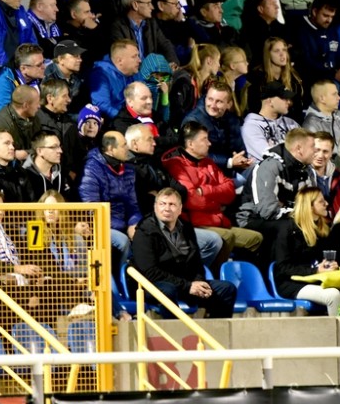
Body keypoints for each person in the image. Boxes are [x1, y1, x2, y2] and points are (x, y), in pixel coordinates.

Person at [163, 122, 263, 266]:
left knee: (256, 238)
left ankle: (243, 275)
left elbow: (230, 191)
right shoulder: (176, 165)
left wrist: (206, 191)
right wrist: (217, 202)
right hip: (196, 224)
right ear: (191, 144)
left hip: (219, 221)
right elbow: (192, 200)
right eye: (204, 139)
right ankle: (216, 275)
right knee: (227, 237)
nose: (209, 143)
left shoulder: (208, 162)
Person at [129, 188, 236, 318]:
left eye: (172, 204)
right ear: (155, 207)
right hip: (152, 285)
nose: (167, 208)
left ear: (180, 209)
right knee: (168, 291)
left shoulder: (186, 228)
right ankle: (175, 330)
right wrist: (187, 286)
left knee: (226, 289)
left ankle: (216, 328)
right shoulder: (144, 231)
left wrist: (198, 282)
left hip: (183, 284)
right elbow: (150, 272)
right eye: (162, 204)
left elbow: (196, 263)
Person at [238, 128, 317, 247]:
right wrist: (298, 210)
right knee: (290, 227)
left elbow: (311, 205)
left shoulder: (308, 171)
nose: (316, 151)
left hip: (285, 216)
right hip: (252, 218)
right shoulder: (270, 166)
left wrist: (287, 206)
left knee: (322, 224)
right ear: (299, 149)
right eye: (312, 146)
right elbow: (268, 211)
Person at [271, 188, 340, 315]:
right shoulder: (287, 230)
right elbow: (283, 267)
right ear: (309, 206)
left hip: (315, 280)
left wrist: (330, 266)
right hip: (291, 283)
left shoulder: (323, 229)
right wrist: (315, 270)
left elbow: (322, 261)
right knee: (333, 295)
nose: (326, 204)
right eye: (321, 201)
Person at [79, 130, 139, 266]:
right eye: (124, 145)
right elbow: (92, 209)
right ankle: (119, 274)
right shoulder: (91, 169)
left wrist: (134, 224)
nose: (127, 148)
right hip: (99, 225)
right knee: (123, 241)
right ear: (111, 149)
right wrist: (125, 226)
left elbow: (132, 205)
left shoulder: (128, 168)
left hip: (123, 223)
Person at [242, 81, 300, 162]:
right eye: (284, 98)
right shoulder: (252, 126)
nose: (289, 102)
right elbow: (269, 155)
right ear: (270, 101)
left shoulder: (291, 123)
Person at [301, 79, 340, 144]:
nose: (339, 98)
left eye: (337, 94)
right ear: (322, 99)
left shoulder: (338, 119)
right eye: (334, 94)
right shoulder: (311, 126)